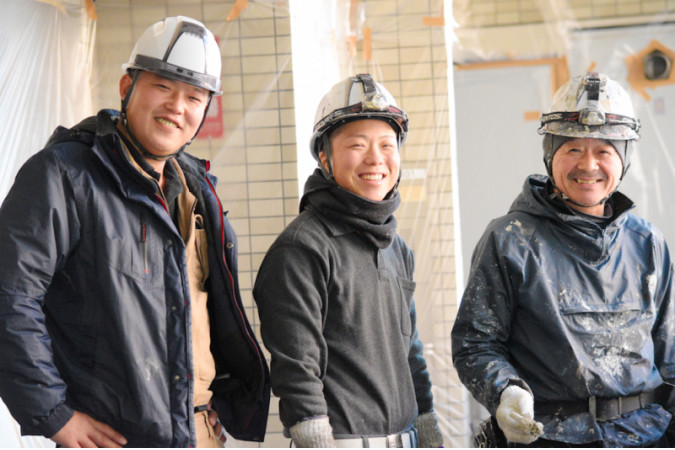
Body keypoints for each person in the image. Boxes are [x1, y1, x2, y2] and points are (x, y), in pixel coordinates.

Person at [0, 16, 270, 448]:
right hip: (115, 438)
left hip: (199, 433)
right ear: (127, 88)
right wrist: (53, 414)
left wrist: (214, 402)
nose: (177, 106)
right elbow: (11, 297)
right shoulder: (64, 176)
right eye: (162, 87)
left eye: (194, 96)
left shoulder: (197, 195)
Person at [451, 71, 675, 447]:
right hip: (550, 437)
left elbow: (669, 352)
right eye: (573, 149)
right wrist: (505, 391)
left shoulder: (647, 243)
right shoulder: (510, 240)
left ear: (624, 160)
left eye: (604, 151)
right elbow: (475, 343)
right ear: (550, 154)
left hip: (646, 435)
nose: (588, 165)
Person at [252, 74, 444, 448]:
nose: (376, 159)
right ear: (325, 156)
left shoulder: (395, 247)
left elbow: (410, 350)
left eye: (387, 145)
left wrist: (426, 419)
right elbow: (296, 362)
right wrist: (312, 433)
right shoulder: (302, 248)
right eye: (357, 145)